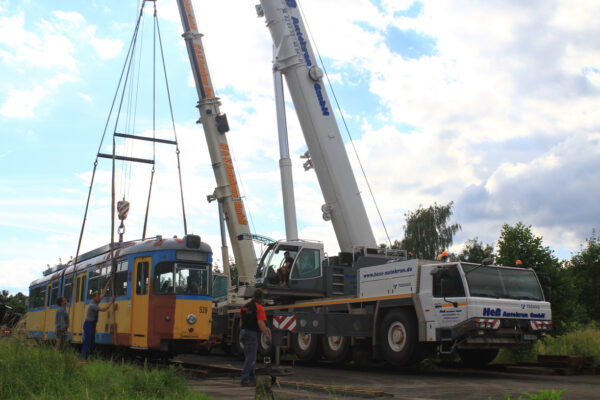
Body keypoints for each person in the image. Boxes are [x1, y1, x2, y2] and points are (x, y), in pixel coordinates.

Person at [239, 288, 270, 387]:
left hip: (243, 332)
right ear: (261, 298)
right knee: (251, 358)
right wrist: (267, 335)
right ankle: (244, 379)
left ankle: (252, 379)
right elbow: (260, 323)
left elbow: (241, 321)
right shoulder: (259, 308)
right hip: (251, 333)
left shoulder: (244, 307)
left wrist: (242, 331)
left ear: (253, 296)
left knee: (250, 357)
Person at [81, 278, 114, 359]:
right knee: (88, 341)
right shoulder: (93, 305)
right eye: (98, 296)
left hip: (92, 324)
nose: (99, 297)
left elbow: (103, 293)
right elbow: (104, 309)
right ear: (94, 297)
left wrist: (108, 282)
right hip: (89, 324)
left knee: (92, 342)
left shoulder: (96, 302)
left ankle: (88, 356)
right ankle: (83, 357)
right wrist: (111, 302)